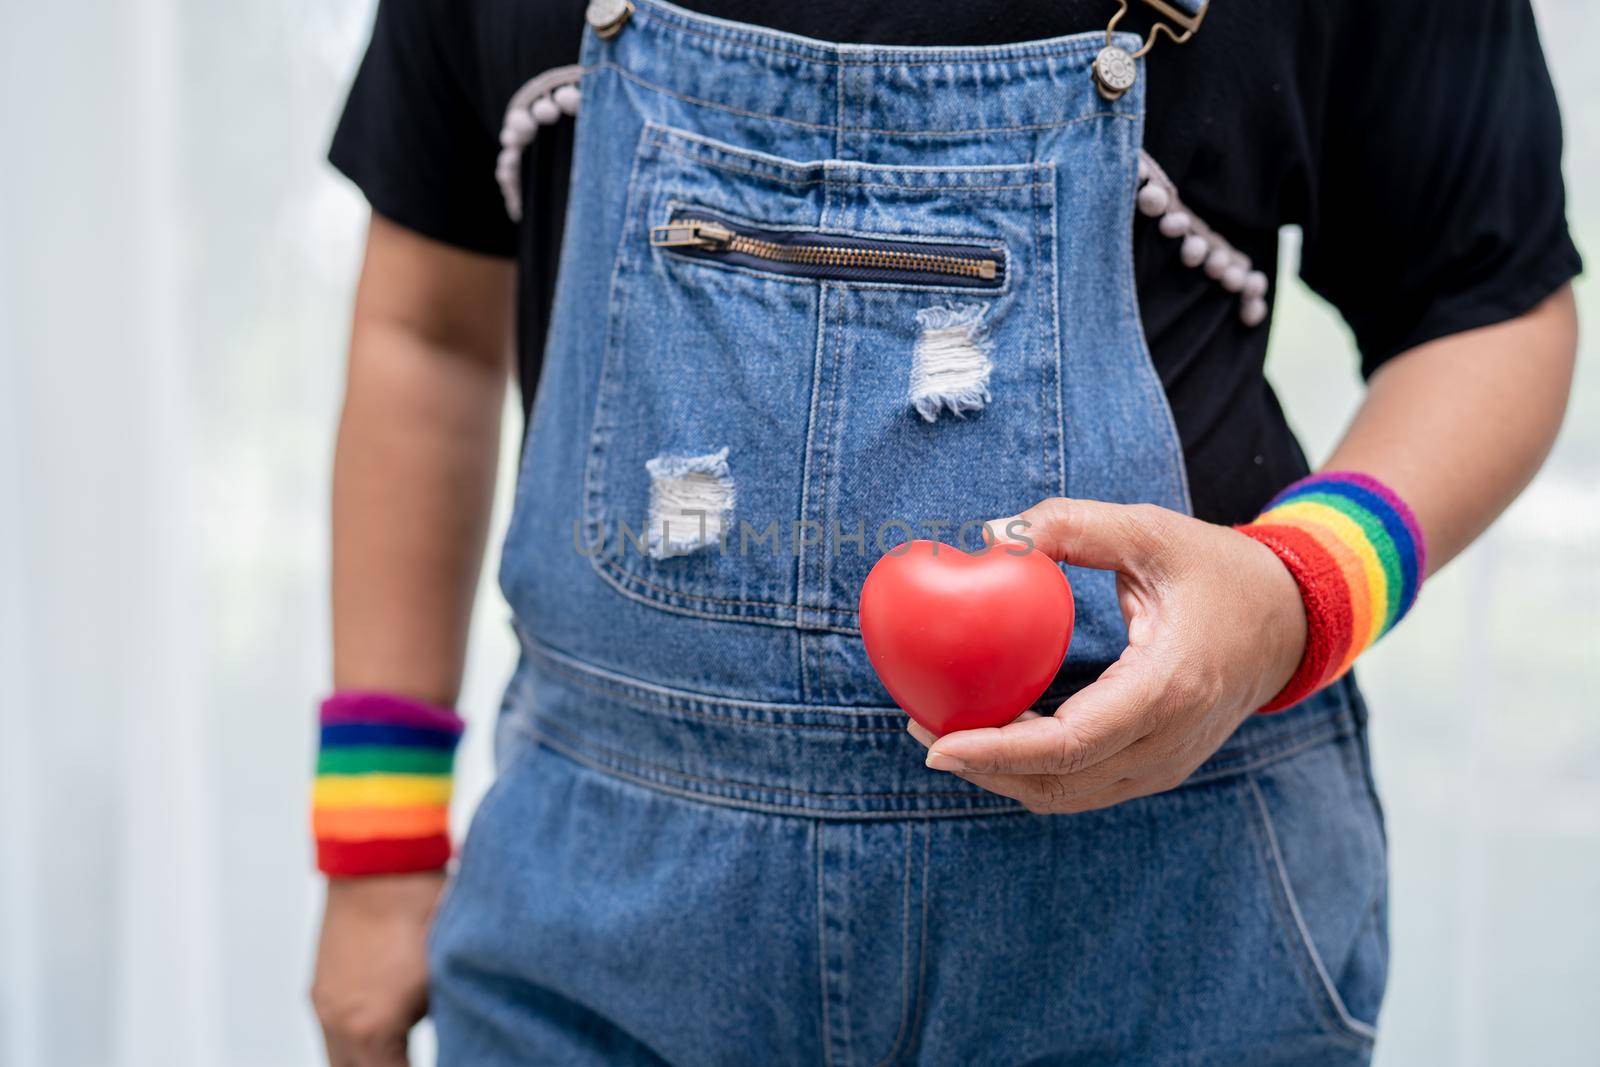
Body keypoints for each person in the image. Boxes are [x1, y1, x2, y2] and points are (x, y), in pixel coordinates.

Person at [309, 1, 1581, 1064]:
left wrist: (1295, 592)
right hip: (592, 938)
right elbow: (427, 333)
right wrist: (376, 844)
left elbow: (1488, 308)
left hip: (1166, 934)